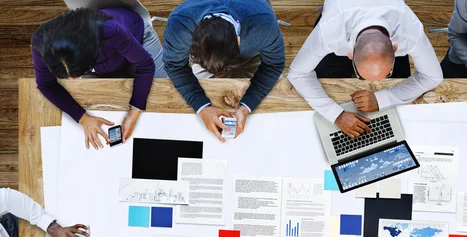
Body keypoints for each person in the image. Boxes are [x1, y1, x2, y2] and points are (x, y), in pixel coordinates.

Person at [287, 0, 442, 138]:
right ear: (350, 54)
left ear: (395, 48)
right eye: (362, 76)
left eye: (386, 73)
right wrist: (336, 115)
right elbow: (297, 73)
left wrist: (382, 99)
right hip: (340, 17)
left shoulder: (410, 31)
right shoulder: (329, 32)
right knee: (326, 76)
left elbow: (432, 77)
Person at [32, 6, 166, 150]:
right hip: (107, 59)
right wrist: (83, 118)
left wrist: (134, 112)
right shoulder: (41, 43)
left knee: (164, 89)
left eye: (80, 73)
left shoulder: (111, 31)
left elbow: (145, 66)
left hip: (137, 38)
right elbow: (46, 85)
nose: (77, 79)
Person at [163, 0, 285, 143]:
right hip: (206, 59)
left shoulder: (264, 22)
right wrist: (201, 107)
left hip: (252, 56)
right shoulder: (179, 24)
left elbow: (274, 65)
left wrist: (247, 106)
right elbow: (174, 66)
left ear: (239, 41)